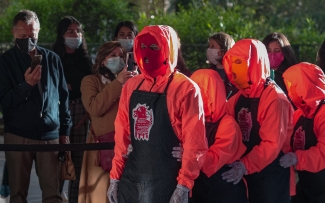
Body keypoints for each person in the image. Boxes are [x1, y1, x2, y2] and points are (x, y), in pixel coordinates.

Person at [107, 25, 208, 203]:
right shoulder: (132, 85)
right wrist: (115, 177)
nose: (147, 53)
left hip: (168, 182)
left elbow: (195, 143)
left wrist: (183, 185)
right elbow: (122, 135)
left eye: (154, 48)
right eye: (143, 47)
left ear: (168, 50)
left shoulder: (186, 89)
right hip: (132, 179)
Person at [0, 10, 72, 203]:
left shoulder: (52, 59)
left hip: (50, 136)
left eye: (32, 36)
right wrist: (26, 86)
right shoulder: (5, 61)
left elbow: (63, 98)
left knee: (53, 194)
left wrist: (65, 131)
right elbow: (5, 101)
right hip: (18, 135)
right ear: (14, 32)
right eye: (23, 36)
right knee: (18, 194)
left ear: (38, 32)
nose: (28, 40)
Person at [220, 39, 294, 203]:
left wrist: (244, 165)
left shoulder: (275, 99)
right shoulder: (237, 97)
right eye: (232, 62)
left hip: (271, 177)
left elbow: (271, 144)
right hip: (246, 174)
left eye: (238, 62)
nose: (232, 69)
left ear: (254, 63)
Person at [78, 41, 136, 203]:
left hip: (128, 146)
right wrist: (117, 83)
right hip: (103, 146)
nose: (118, 59)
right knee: (101, 194)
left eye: (121, 56)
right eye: (113, 55)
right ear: (102, 59)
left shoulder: (131, 81)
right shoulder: (90, 81)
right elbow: (95, 108)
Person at [189, 69, 247, 203]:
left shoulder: (228, 125)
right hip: (200, 191)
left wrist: (188, 154)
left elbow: (213, 160)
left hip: (225, 192)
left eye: (199, 90)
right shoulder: (192, 120)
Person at [52, 16, 92, 203]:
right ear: (62, 35)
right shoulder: (53, 58)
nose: (75, 34)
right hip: (58, 112)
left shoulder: (85, 59)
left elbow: (89, 88)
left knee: (78, 161)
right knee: (58, 161)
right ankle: (56, 197)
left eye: (78, 31)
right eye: (70, 31)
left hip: (81, 113)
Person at [279, 62, 325, 203]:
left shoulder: (323, 113)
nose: (291, 91)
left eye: (295, 85)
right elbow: (288, 140)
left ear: (307, 85)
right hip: (306, 186)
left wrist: (298, 158)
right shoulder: (300, 113)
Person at [262, 32, 298, 97]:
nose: (272, 55)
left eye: (277, 51)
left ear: (285, 53)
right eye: (268, 51)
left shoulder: (292, 76)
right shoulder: (259, 75)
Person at [206, 32, 238, 98]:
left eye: (212, 46)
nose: (209, 49)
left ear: (223, 50)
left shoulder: (235, 74)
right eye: (209, 46)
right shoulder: (208, 72)